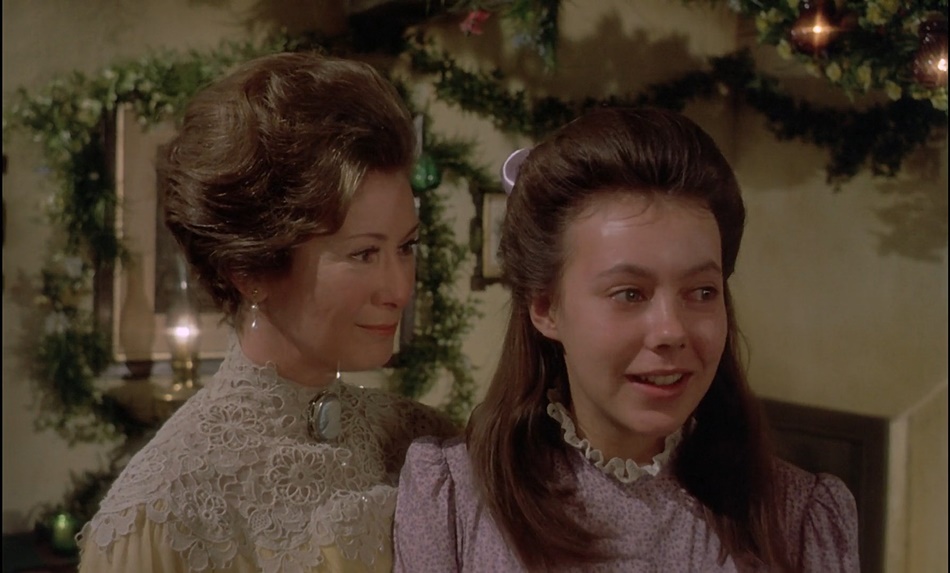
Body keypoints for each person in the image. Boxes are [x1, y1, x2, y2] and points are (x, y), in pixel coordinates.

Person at [393, 107, 860, 572]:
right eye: (630, 294)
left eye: (702, 292)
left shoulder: (797, 518)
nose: (671, 331)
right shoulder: (456, 500)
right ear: (546, 308)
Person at [77, 51, 458, 573]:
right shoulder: (163, 511)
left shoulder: (420, 439)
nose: (398, 288)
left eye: (406, 247)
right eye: (364, 253)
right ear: (249, 270)